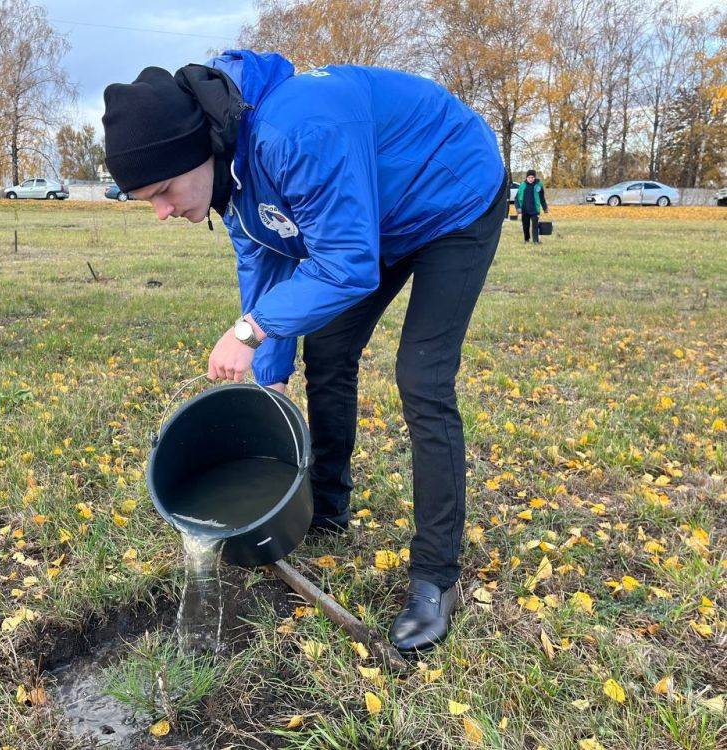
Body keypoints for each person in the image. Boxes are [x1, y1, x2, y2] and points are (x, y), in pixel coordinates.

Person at [102, 50, 506, 653]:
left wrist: (249, 332)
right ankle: (328, 506)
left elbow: (346, 264)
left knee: (421, 376)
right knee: (328, 351)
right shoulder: (231, 174)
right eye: (146, 201)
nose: (161, 212)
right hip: (372, 220)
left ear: (198, 153)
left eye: (162, 191)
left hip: (451, 196)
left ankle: (435, 578)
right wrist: (271, 375)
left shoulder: (297, 130)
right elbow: (262, 260)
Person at [515, 169, 548, 243]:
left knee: (535, 226)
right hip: (525, 209)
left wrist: (545, 207)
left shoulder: (538, 185)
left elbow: (542, 197)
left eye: (532, 177)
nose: (531, 179)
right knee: (525, 226)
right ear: (526, 178)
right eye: (529, 177)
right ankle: (526, 239)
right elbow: (516, 198)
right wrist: (518, 208)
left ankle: (535, 241)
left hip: (535, 210)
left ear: (534, 178)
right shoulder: (522, 185)